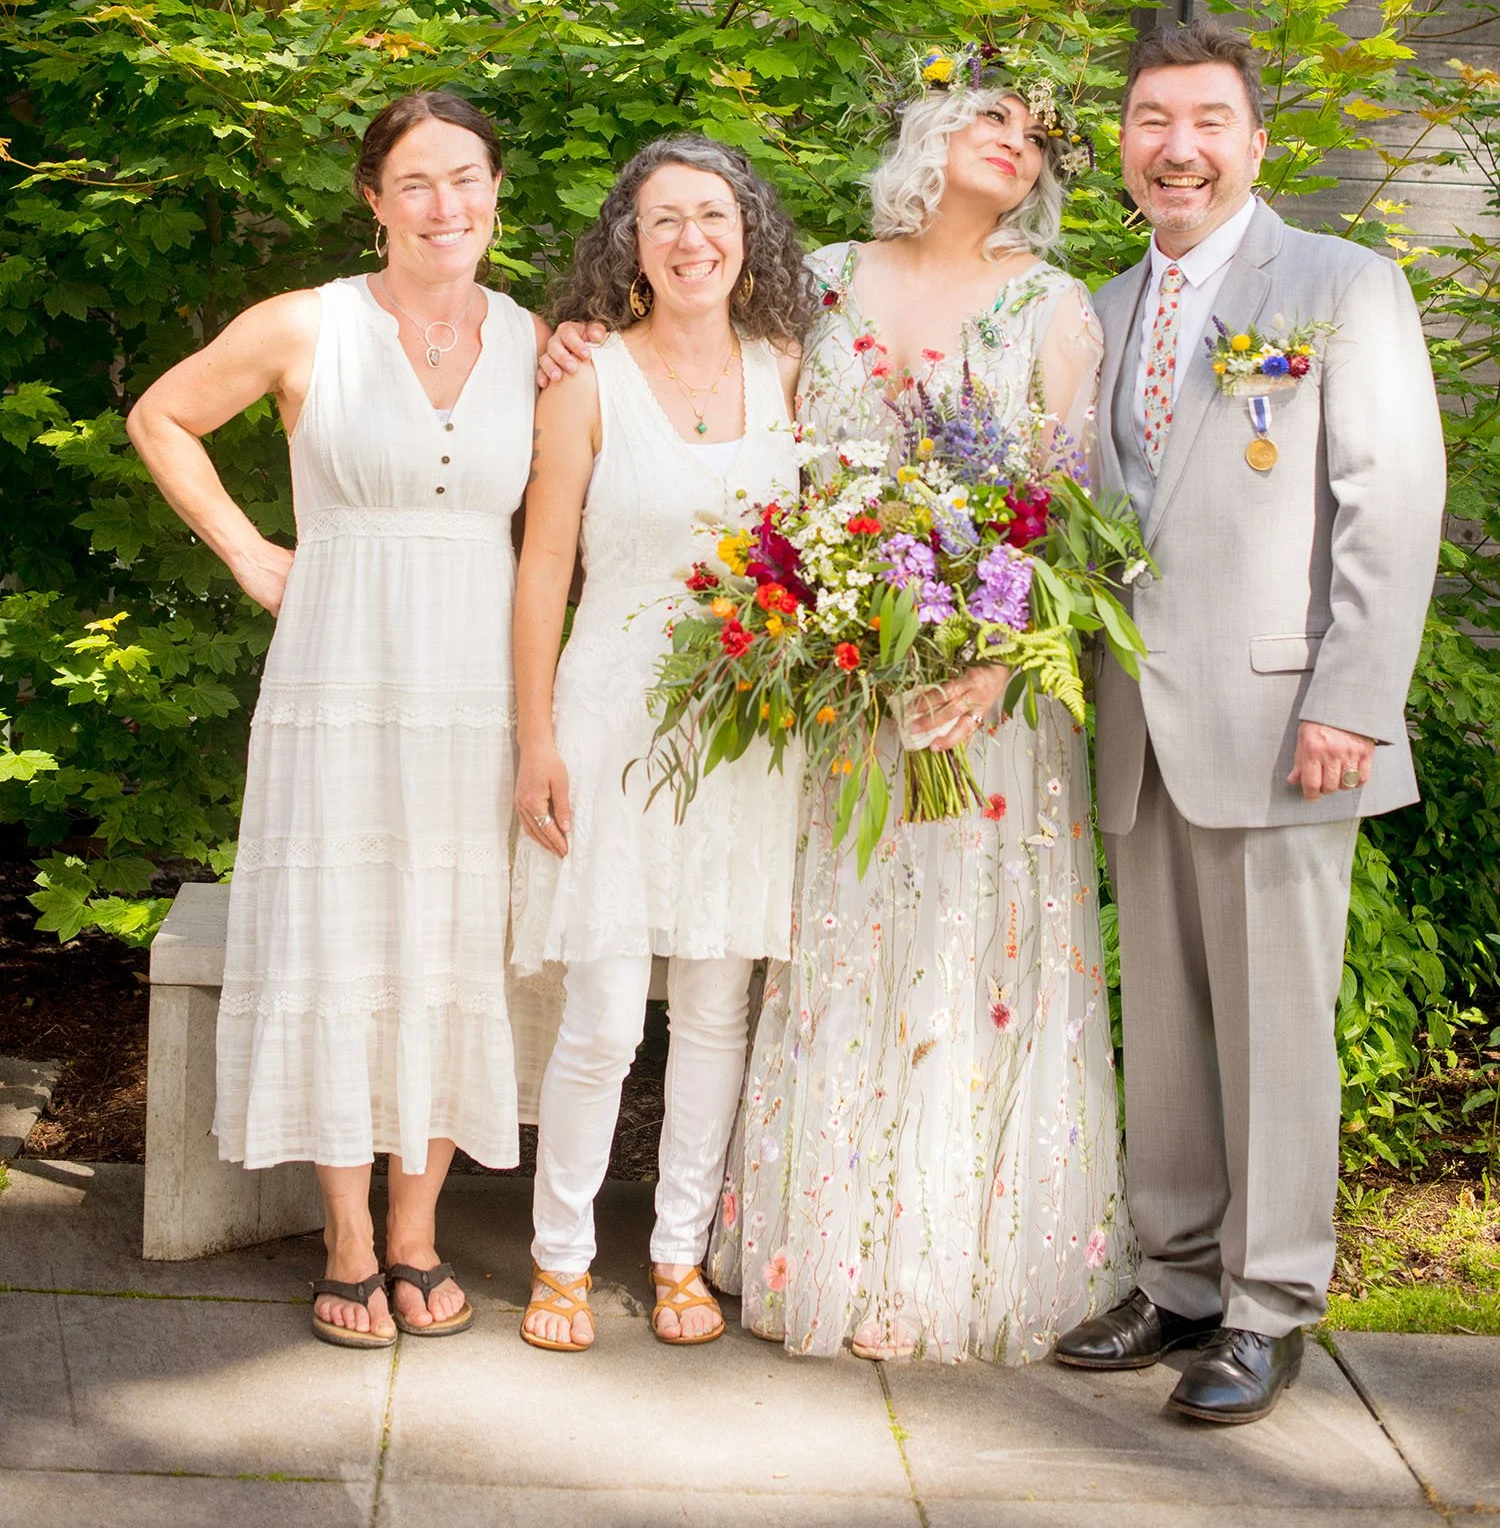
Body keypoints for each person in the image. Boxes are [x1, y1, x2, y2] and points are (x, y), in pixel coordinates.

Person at [540, 79, 1131, 1363]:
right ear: (929, 136)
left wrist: (993, 669)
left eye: (1035, 136)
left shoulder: (1055, 304)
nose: (1014, 144)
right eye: (994, 117)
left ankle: (928, 1266)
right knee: (829, 967)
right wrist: (567, 336)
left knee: (958, 965)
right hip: (829, 699)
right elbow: (698, 364)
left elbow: (1073, 516)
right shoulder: (830, 283)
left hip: (984, 701)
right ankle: (819, 1245)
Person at [1052, 18, 1445, 1425]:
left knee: (1277, 1026)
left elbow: (1390, 503)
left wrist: (1351, 696)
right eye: (1153, 118)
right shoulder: (1095, 310)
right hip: (1138, 729)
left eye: (1208, 118)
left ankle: (1272, 1305)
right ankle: (1179, 1278)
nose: (1179, 146)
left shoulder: (1340, 287)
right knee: (1163, 1020)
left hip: (1287, 718)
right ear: (1123, 145)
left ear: (1255, 139)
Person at [127, 89, 547, 1349]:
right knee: (339, 932)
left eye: (465, 178)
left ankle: (420, 1230)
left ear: (493, 191)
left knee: (448, 929)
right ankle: (350, 1238)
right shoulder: (308, 325)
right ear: (372, 197)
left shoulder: (539, 340)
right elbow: (161, 415)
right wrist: (249, 548)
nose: (444, 206)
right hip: (340, 669)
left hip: (475, 672)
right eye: (415, 182)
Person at [510, 134, 814, 1353]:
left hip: (745, 733)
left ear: (748, 234)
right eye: (664, 221)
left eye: (714, 216)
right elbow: (541, 570)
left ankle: (680, 1253)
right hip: (610, 719)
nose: (693, 240)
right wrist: (533, 737)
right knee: (600, 1012)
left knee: (717, 1005)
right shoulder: (586, 377)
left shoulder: (786, 367)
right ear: (629, 246)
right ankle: (561, 1258)